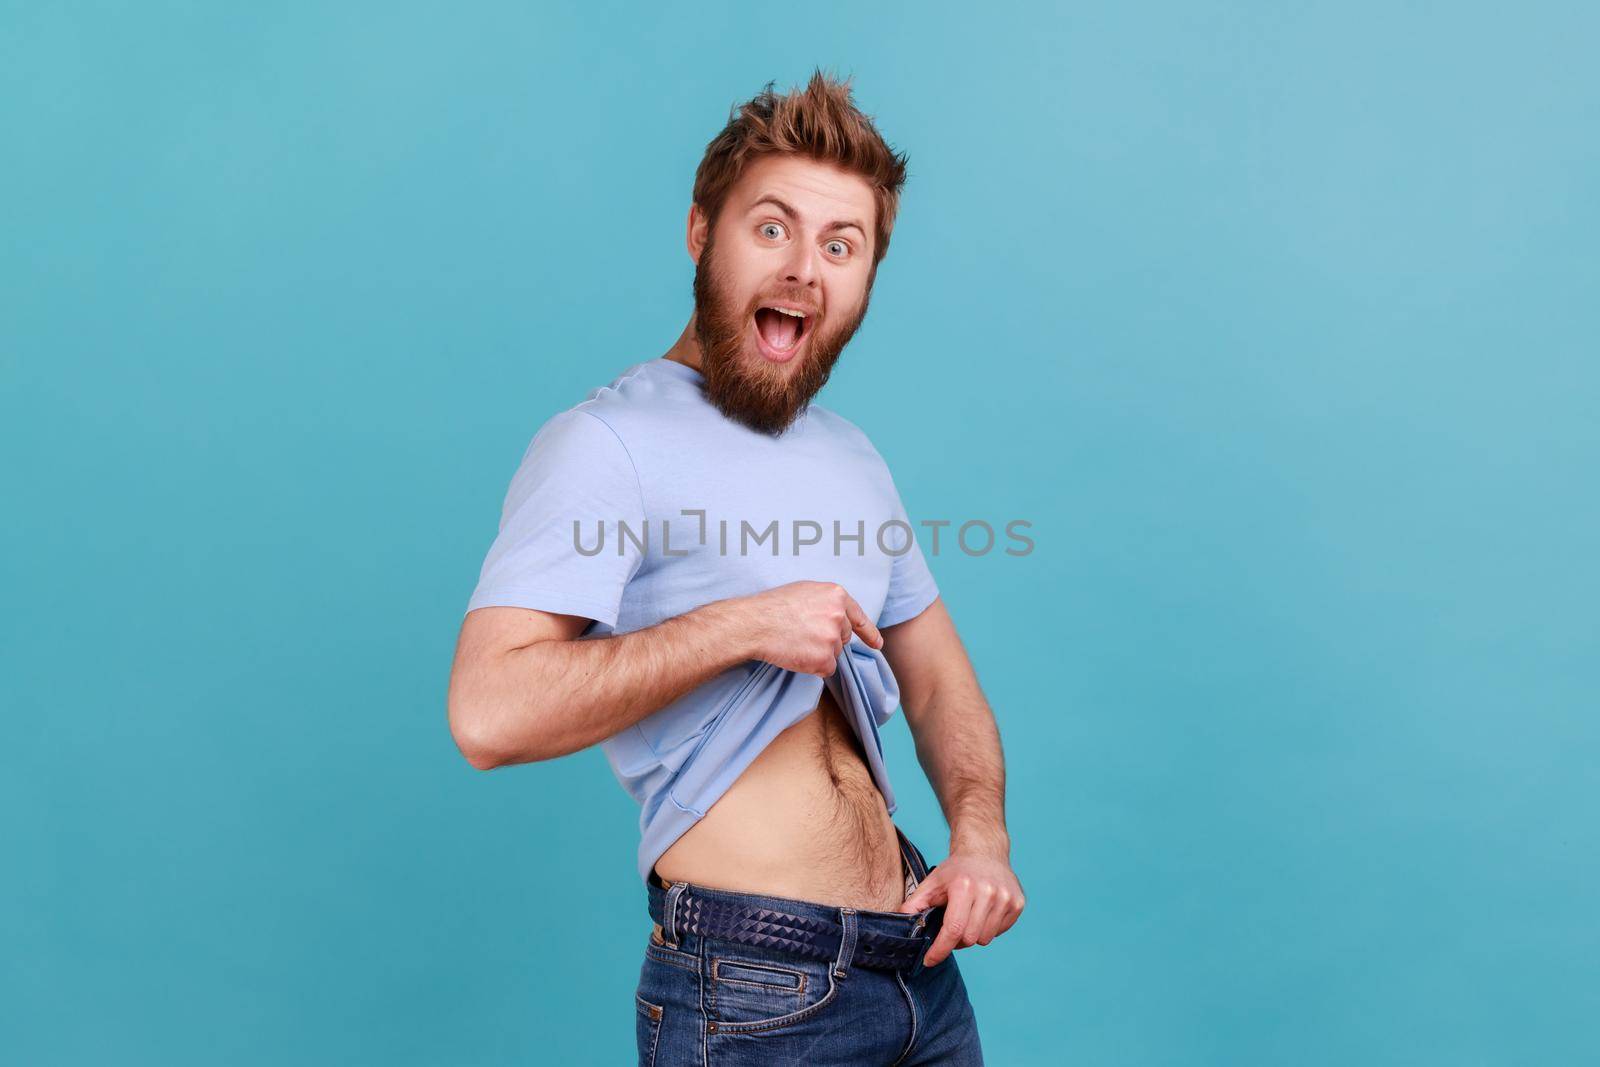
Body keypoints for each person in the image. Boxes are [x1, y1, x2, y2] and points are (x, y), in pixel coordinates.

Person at [447, 69, 1023, 1065]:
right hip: (757, 990)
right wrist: (744, 624)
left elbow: (935, 680)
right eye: (773, 228)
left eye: (840, 245)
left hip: (917, 967)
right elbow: (486, 713)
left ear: (866, 277)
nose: (804, 268)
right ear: (700, 233)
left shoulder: (852, 455)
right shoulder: (605, 442)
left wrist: (981, 836)